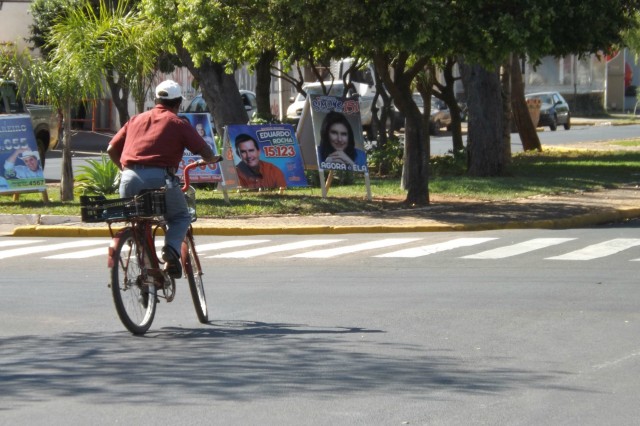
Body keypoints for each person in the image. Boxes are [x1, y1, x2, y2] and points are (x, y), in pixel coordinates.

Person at [107, 79, 218, 278]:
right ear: (178, 104)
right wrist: (211, 159)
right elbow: (204, 150)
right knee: (180, 216)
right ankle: (171, 251)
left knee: (140, 222)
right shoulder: (177, 122)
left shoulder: (135, 119)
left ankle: (148, 271)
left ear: (156, 99)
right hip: (159, 181)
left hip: (128, 180)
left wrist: (125, 171)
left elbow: (111, 148)